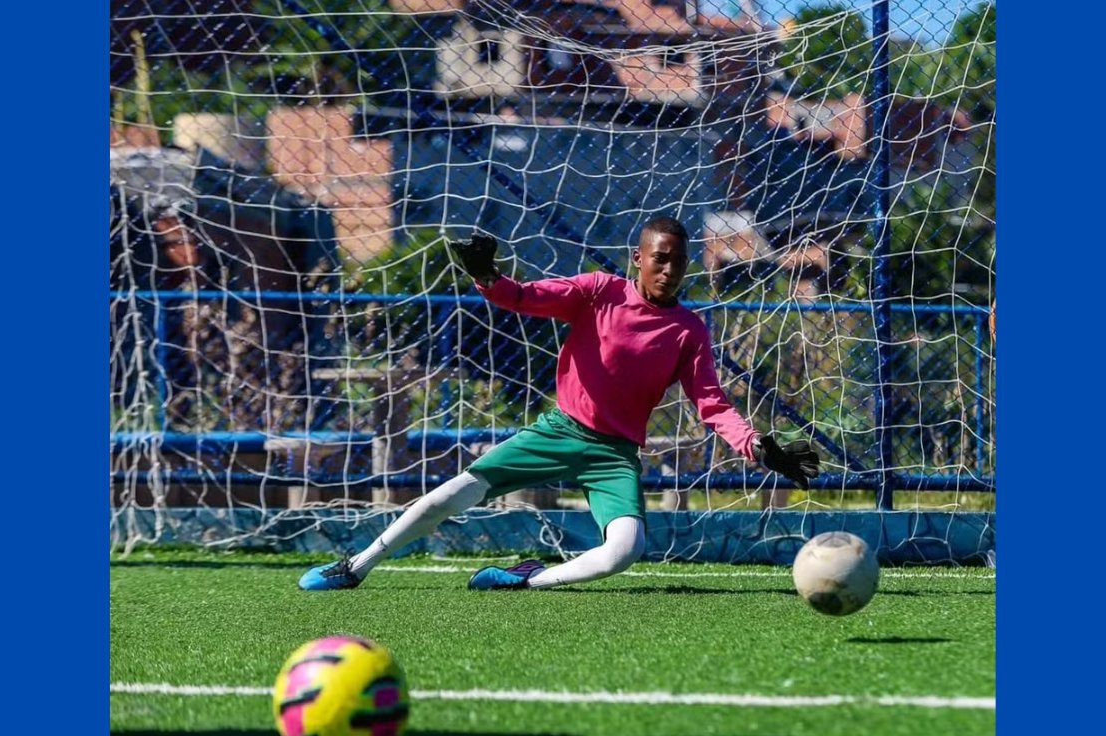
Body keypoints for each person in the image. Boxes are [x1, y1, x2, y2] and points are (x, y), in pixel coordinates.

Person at [299, 216, 819, 592]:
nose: (669, 269)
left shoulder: (688, 330)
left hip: (613, 456)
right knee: (449, 496)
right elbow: (522, 297)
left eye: (678, 261)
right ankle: (357, 566)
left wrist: (759, 448)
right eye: (660, 258)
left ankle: (528, 579)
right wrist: (487, 279)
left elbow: (711, 404)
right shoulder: (598, 292)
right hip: (559, 431)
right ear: (638, 258)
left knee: (625, 551)